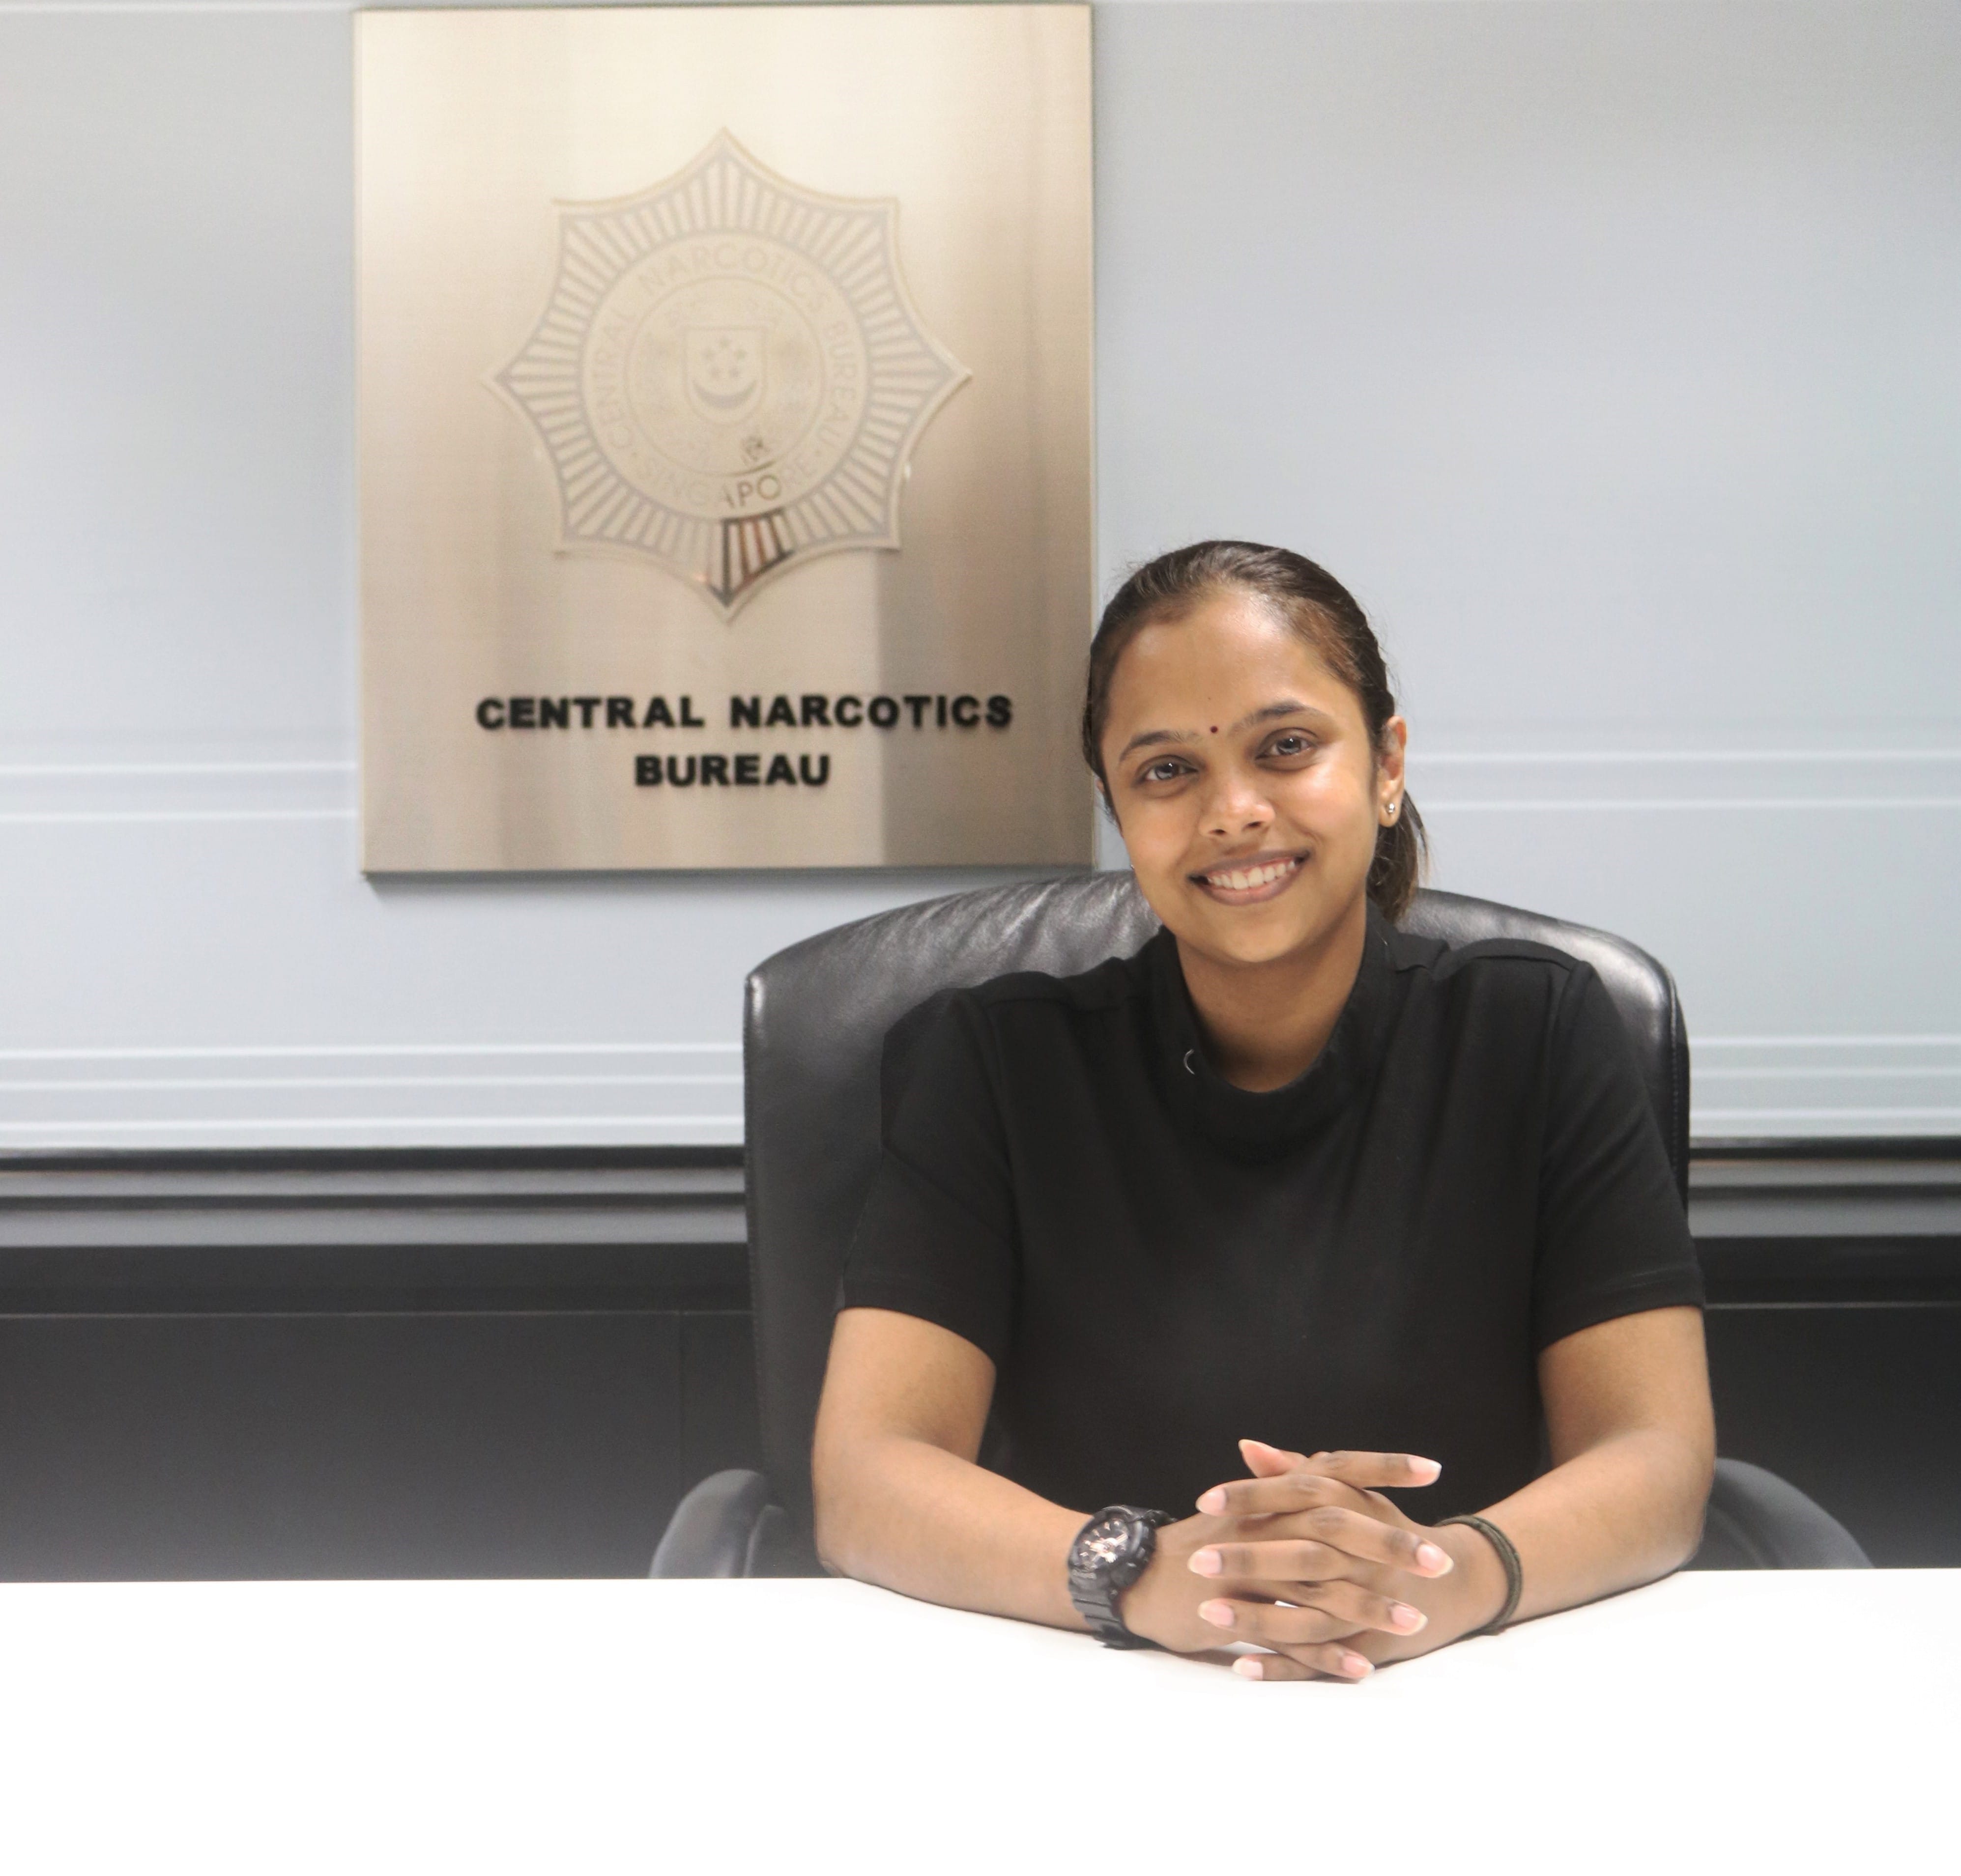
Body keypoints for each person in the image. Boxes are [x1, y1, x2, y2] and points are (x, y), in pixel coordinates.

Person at [812, 541, 1713, 1680]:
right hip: (1084, 1692)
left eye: (1285, 748)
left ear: (1388, 764)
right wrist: (1146, 1573)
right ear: (1117, 807)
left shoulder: (1537, 1030)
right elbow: (866, 1474)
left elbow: (1657, 1450)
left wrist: (1444, 1580)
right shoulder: (995, 1061)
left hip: (1468, 1691)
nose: (1234, 812)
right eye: (1166, 771)